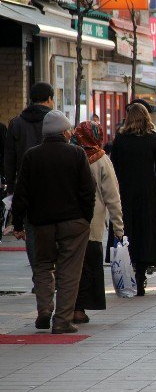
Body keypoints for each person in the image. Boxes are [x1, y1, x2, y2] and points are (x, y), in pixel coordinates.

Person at [11, 110, 95, 333]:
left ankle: (44, 310)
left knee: (42, 265)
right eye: (68, 130)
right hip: (73, 222)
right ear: (64, 131)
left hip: (41, 224)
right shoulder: (77, 154)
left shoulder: (32, 156)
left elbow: (21, 194)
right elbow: (88, 190)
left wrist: (18, 223)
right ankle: (62, 321)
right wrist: (86, 218)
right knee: (69, 271)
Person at [111, 104, 156, 296]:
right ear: (146, 117)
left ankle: (130, 273)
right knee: (145, 233)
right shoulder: (153, 139)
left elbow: (114, 167)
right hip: (147, 194)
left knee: (128, 231)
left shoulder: (120, 140)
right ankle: (142, 276)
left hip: (125, 194)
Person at [71, 121, 124, 324]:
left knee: (69, 266)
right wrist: (118, 226)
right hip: (91, 223)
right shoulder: (101, 160)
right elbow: (112, 196)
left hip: (67, 220)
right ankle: (79, 309)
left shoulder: (70, 155)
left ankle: (68, 307)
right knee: (89, 266)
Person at [4, 82, 54, 274]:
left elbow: (9, 159)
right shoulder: (54, 121)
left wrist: (11, 188)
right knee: (52, 229)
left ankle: (39, 274)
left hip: (25, 186)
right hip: (52, 185)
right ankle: (50, 272)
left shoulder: (16, 123)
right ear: (49, 99)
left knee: (31, 230)